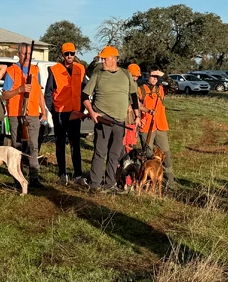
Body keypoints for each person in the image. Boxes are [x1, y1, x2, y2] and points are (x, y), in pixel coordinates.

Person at [83, 46, 139, 192]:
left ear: (114, 59)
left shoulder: (126, 74)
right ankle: (94, 184)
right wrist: (92, 113)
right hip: (103, 119)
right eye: (102, 58)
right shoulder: (98, 74)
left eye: (105, 58)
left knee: (114, 154)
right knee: (99, 152)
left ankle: (110, 183)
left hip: (120, 121)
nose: (103, 61)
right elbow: (84, 95)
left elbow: (133, 95)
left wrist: (137, 115)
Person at [2, 42, 46, 187]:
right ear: (19, 54)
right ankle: (18, 178)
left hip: (33, 113)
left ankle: (34, 178)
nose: (27, 56)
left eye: (29, 54)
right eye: (24, 54)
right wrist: (19, 90)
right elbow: (5, 95)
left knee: (34, 146)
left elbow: (39, 93)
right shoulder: (11, 71)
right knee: (17, 147)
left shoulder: (36, 70)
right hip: (16, 115)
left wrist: (43, 112)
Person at [45, 43, 87, 185]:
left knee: (76, 144)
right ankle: (63, 174)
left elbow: (84, 91)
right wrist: (53, 111)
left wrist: (81, 110)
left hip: (75, 113)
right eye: (66, 54)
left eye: (72, 53)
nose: (69, 56)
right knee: (60, 144)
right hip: (60, 114)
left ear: (75, 54)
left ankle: (79, 176)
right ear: (62, 55)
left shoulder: (80, 69)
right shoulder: (55, 69)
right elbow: (48, 94)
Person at [139, 69, 174, 190]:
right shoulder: (141, 89)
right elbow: (134, 104)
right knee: (148, 155)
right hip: (146, 126)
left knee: (166, 155)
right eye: (152, 76)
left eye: (156, 76)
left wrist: (164, 75)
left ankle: (170, 182)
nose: (154, 78)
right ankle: (146, 182)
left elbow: (174, 86)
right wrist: (138, 117)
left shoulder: (161, 89)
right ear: (147, 75)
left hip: (160, 125)